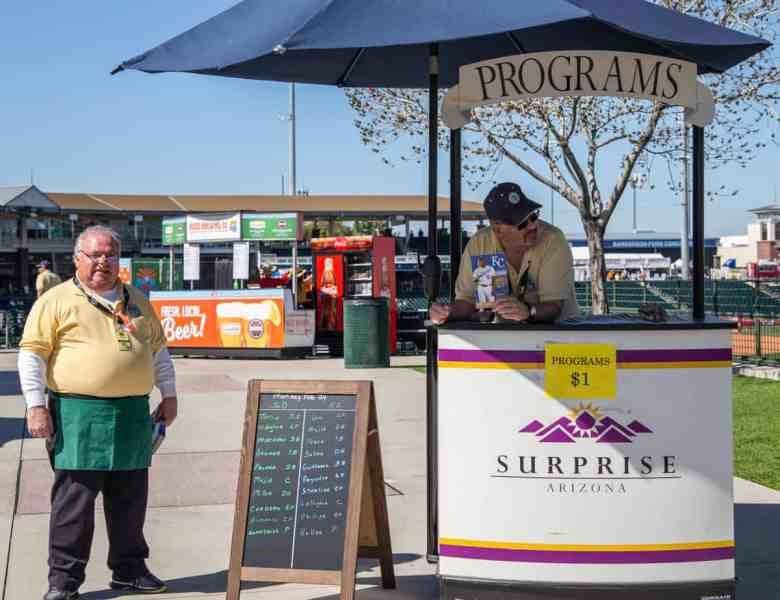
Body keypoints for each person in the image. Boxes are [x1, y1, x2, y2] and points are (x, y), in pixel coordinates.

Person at [17, 226, 178, 600]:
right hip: (78, 413)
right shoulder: (56, 300)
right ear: (77, 259)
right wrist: (36, 406)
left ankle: (129, 570)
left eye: (110, 255)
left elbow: (159, 354)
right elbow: (31, 355)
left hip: (132, 415)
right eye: (95, 255)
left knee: (130, 500)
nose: (103, 262)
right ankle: (63, 582)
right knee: (74, 504)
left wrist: (169, 395)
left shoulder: (136, 299)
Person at [430, 182, 578, 325]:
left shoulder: (552, 240)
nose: (533, 225)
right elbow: (467, 301)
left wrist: (528, 311)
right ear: (498, 229)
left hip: (558, 339)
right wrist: (446, 312)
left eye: (534, 217)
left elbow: (554, 307)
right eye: (522, 224)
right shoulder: (479, 244)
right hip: (502, 340)